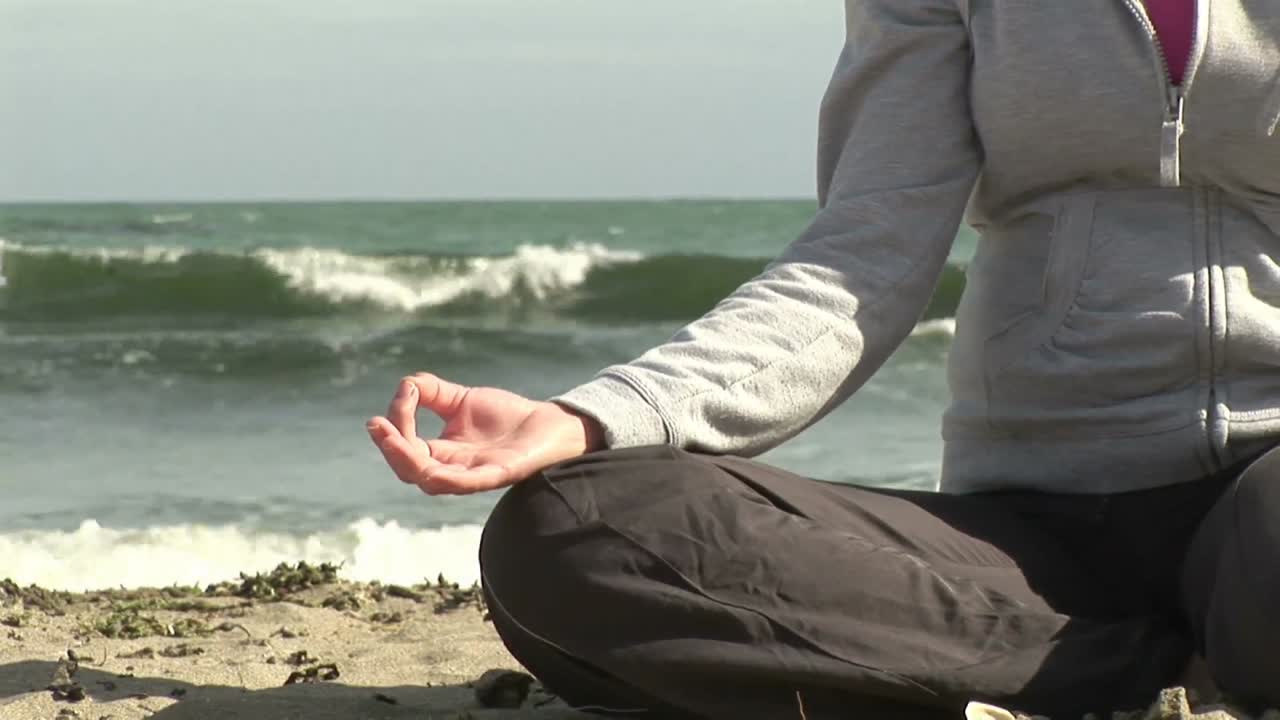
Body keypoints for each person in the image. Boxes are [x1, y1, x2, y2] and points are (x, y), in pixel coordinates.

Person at [368, 0, 1280, 717]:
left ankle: (1039, 679)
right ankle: (1157, 676)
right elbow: (862, 260)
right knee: (567, 530)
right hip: (1027, 532)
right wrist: (597, 415)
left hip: (1263, 495)